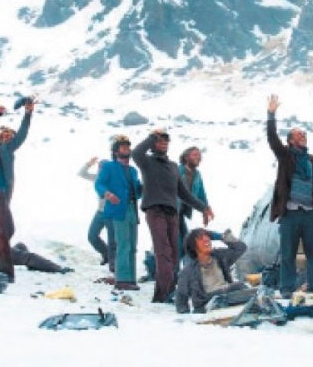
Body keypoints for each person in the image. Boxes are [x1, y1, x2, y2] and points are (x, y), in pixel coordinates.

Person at [133, 130, 213, 303]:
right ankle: (163, 294)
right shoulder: (147, 162)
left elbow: (184, 194)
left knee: (175, 253)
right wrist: (152, 137)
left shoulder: (173, 167)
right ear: (154, 145)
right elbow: (136, 152)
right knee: (163, 252)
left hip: (172, 213)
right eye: (160, 141)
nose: (163, 144)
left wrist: (203, 207)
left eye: (165, 142)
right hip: (155, 210)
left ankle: (168, 290)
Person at [266, 94, 313, 297]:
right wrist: (271, 114)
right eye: (299, 134)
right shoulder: (285, 156)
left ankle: (312, 286)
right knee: (288, 254)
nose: (303, 136)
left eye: (304, 134)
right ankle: (287, 289)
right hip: (290, 213)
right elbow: (272, 138)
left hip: (309, 213)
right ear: (291, 140)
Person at [0, 100, 34, 282]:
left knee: (5, 231)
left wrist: (28, 114)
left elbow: (22, 135)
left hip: (2, 195)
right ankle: (2, 272)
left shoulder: (5, 149)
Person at [94, 135, 142, 290]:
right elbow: (99, 184)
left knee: (133, 246)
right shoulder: (109, 167)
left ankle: (131, 279)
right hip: (117, 210)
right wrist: (107, 194)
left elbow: (137, 191)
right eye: (123, 147)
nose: (126, 149)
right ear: (115, 151)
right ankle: (122, 280)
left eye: (128, 147)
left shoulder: (133, 171)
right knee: (123, 244)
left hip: (132, 210)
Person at [175, 228, 247, 314]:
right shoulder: (188, 271)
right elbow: (181, 298)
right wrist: (187, 318)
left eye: (207, 237)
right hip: (208, 305)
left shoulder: (220, 256)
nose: (206, 239)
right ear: (193, 246)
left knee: (241, 286)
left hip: (228, 296)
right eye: (200, 238)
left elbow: (241, 248)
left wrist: (222, 236)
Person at [79, 156, 115, 268]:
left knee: (113, 240)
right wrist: (89, 163)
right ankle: (106, 254)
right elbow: (82, 173)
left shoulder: (114, 180)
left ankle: (114, 264)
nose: (100, 170)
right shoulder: (97, 178)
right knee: (92, 236)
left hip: (112, 213)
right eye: (99, 168)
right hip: (100, 212)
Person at [177, 146, 208, 268]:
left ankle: (186, 271)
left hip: (181, 213)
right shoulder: (177, 171)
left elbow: (201, 194)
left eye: (199, 155)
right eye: (195, 155)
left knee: (185, 242)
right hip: (172, 210)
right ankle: (174, 273)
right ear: (186, 157)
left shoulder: (197, 174)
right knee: (177, 243)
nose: (198, 157)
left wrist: (205, 210)